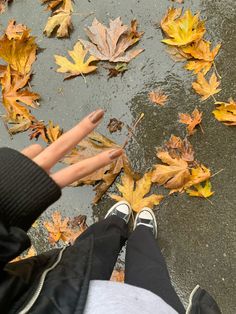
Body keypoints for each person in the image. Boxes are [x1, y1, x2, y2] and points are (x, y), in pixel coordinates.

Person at [0, 109, 222, 314]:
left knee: (96, 245)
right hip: (152, 306)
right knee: (149, 264)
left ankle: (115, 224)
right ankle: (141, 233)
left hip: (59, 287)